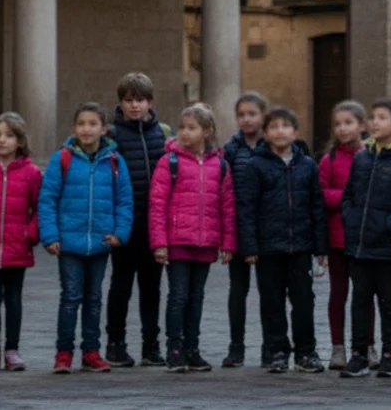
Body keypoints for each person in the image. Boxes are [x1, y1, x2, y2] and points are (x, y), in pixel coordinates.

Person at [40, 103, 134, 373]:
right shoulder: (62, 159)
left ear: (103, 129)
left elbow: (124, 201)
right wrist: (50, 236)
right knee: (70, 297)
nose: (86, 129)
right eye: (81, 123)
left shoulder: (115, 161)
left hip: (101, 243)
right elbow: (47, 200)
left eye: (93, 124)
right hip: (69, 242)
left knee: (94, 299)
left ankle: (91, 352)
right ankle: (64, 353)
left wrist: (120, 233)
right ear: (73, 128)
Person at [238, 106, 328, 374]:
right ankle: (277, 350)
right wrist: (250, 246)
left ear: (295, 132)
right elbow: (246, 208)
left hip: (300, 247)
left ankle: (306, 352)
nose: (280, 131)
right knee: (272, 302)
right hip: (268, 248)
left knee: (304, 301)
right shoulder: (255, 165)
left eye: (285, 126)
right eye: (274, 127)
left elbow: (317, 207)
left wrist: (320, 247)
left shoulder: (307, 165)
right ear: (265, 133)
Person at [338, 99, 391, 379]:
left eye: (382, 118)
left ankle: (389, 354)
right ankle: (359, 354)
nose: (375, 122)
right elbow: (349, 195)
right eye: (374, 117)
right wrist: (351, 221)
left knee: (388, 303)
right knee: (359, 302)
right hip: (360, 246)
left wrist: (388, 225)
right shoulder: (362, 157)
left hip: (388, 246)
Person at [148, 104, 236, 373]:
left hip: (205, 242)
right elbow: (157, 203)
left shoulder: (220, 166)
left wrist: (228, 244)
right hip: (177, 241)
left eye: (192, 128)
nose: (185, 133)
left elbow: (227, 207)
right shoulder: (169, 162)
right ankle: (174, 349)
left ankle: (192, 348)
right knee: (178, 297)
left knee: (196, 297)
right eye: (182, 127)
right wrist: (159, 242)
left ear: (207, 132)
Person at [105, 72, 172, 368]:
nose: (135, 106)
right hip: (123, 224)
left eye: (140, 100)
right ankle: (115, 344)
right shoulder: (112, 136)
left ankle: (150, 345)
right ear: (121, 103)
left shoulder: (162, 134)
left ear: (150, 102)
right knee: (120, 285)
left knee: (152, 288)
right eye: (129, 101)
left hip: (154, 224)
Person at [0, 112, 41, 371]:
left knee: (14, 299)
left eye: (8, 135)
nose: (2, 140)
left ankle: (13, 350)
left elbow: (41, 207)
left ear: (19, 141)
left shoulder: (31, 173)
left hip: (17, 246)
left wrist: (31, 234)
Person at [319, 100, 369, 371]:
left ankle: (366, 345)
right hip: (338, 238)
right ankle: (337, 347)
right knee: (338, 293)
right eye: (337, 124)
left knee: (365, 294)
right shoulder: (330, 160)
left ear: (362, 126)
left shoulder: (371, 155)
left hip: (365, 237)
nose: (342, 128)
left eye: (348, 123)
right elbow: (322, 193)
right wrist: (349, 198)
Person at [222, 91, 269, 368]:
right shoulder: (230, 150)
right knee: (237, 290)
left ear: (263, 116)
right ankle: (236, 346)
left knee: (268, 291)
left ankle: (269, 346)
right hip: (238, 228)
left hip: (266, 230)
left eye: (252, 114)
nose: (247, 119)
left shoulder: (272, 146)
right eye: (241, 114)